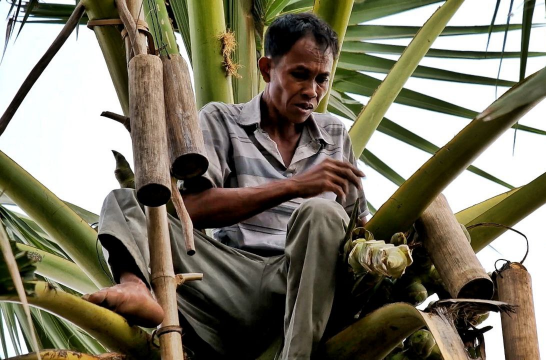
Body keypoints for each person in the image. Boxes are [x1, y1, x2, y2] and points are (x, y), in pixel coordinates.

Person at [84, 13, 368, 359]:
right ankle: (135, 285)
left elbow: (359, 228)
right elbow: (195, 211)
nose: (312, 91)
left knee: (322, 213)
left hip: (307, 282)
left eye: (322, 79)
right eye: (300, 75)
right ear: (267, 69)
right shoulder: (222, 119)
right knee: (125, 202)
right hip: (232, 280)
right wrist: (293, 186)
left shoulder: (335, 135)